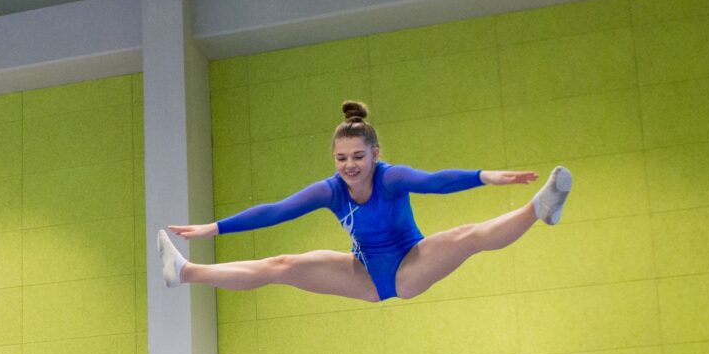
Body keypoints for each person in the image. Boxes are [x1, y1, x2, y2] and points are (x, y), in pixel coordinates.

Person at [160, 99, 571, 304]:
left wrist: (484, 177)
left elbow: (434, 182)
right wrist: (214, 228)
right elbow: (276, 211)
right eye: (342, 158)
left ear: (375, 152)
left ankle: (538, 208)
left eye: (358, 156)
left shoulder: (391, 178)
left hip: (410, 265)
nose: (350, 166)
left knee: (467, 235)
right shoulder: (330, 190)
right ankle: (186, 271)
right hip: (363, 275)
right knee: (279, 266)